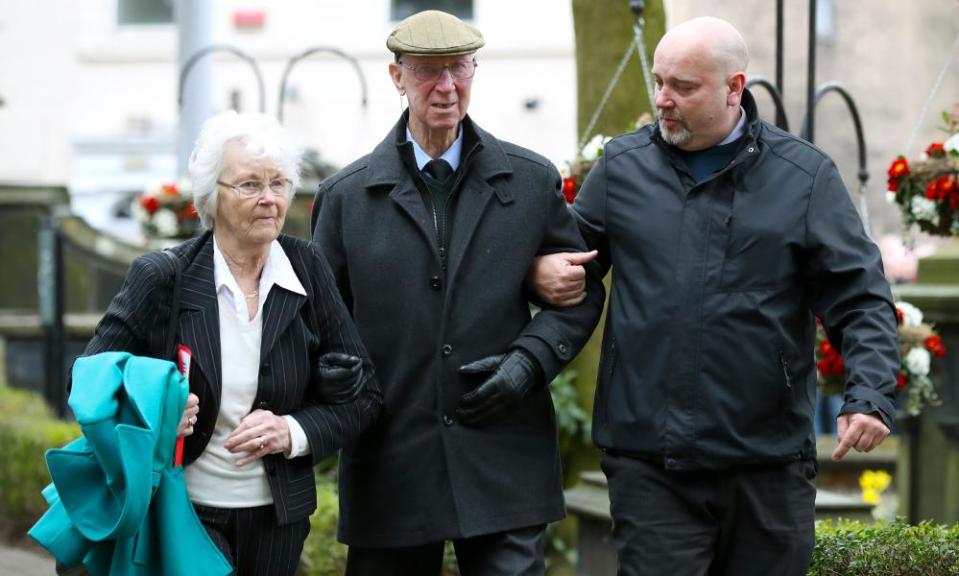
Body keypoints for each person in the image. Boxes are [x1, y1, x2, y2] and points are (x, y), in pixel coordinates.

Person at [529, 16, 900, 576]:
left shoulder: (805, 178)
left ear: (734, 87)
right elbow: (573, 254)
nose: (663, 99)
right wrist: (540, 267)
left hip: (768, 465)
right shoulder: (622, 168)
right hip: (650, 463)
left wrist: (869, 394)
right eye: (658, 82)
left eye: (683, 86)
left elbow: (860, 296)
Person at [310, 9, 604, 576]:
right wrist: (328, 373)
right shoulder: (344, 198)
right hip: (389, 459)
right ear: (397, 77)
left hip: (504, 452)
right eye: (428, 72)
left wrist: (529, 362)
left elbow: (580, 293)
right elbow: (320, 322)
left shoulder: (529, 178)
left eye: (459, 68)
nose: (446, 87)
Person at [81, 110, 381, 575]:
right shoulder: (163, 276)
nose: (268, 199)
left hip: (280, 517)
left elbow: (364, 397)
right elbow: (87, 381)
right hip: (184, 511)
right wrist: (154, 410)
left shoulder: (307, 268)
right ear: (211, 197)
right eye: (249, 185)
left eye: (278, 184)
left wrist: (292, 431)